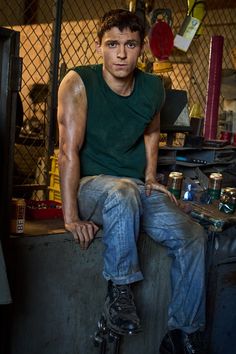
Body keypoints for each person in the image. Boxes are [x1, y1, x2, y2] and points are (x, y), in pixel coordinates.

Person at [57, 8, 206, 353]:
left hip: (134, 190)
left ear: (142, 49)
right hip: (92, 186)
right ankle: (119, 295)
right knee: (122, 191)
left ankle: (183, 333)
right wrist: (70, 217)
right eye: (112, 44)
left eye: (130, 44)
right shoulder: (78, 82)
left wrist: (151, 175)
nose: (121, 53)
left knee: (193, 235)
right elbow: (68, 151)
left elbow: (152, 130)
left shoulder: (154, 87)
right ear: (99, 46)